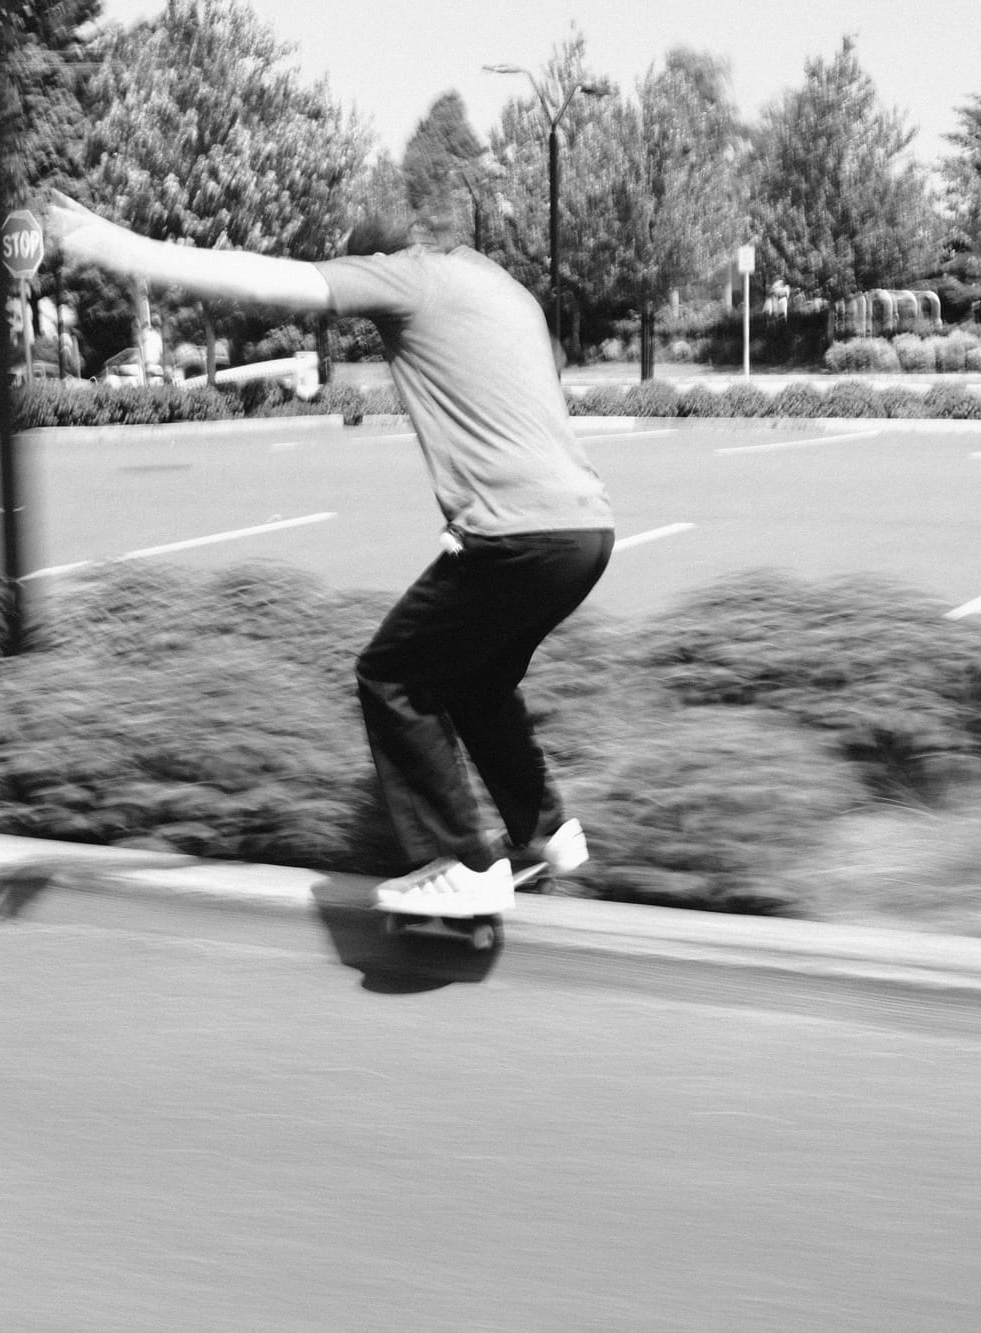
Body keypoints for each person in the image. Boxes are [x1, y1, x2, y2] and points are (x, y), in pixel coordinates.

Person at [42, 191, 614, 918]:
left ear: (378, 256)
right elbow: (526, 382)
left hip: (517, 536)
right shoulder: (498, 284)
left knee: (392, 675)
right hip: (584, 530)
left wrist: (119, 248)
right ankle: (546, 834)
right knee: (477, 682)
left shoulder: (405, 276)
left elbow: (264, 279)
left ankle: (461, 866)